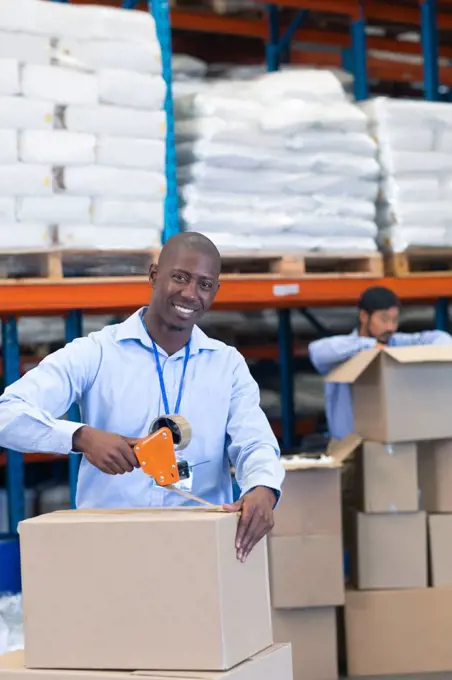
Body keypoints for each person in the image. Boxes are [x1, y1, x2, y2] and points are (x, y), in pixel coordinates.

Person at [0, 232, 285, 563]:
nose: (191, 293)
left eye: (205, 285)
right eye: (180, 277)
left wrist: (263, 488)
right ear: (153, 275)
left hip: (197, 550)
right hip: (110, 551)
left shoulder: (227, 366)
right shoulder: (97, 353)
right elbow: (6, 415)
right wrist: (80, 437)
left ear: (215, 292)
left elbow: (255, 444)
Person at [308, 285, 452, 440]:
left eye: (394, 320)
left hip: (392, 442)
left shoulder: (396, 343)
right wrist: (369, 346)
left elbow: (441, 339)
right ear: (364, 316)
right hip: (347, 445)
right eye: (384, 319)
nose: (390, 327)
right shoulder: (344, 349)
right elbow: (316, 351)